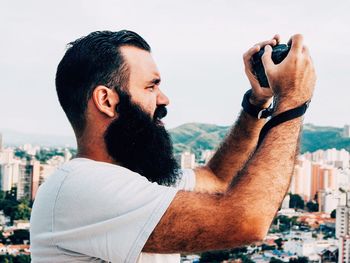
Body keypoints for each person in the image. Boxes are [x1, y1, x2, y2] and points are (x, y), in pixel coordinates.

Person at [30, 30, 316, 262]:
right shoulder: (79, 187)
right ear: (107, 101)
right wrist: (291, 100)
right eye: (151, 87)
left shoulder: (136, 178)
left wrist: (257, 101)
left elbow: (218, 180)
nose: (164, 99)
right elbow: (246, 221)